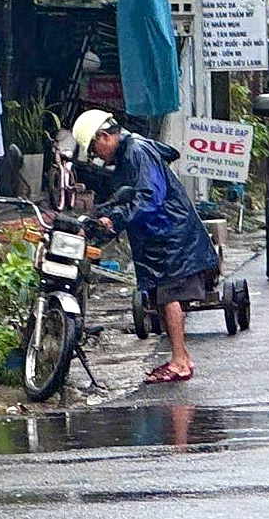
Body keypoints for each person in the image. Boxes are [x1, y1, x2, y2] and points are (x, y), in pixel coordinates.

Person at [72, 109, 218, 384]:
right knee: (162, 295)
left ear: (104, 137)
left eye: (94, 148)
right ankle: (181, 357)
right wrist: (105, 216)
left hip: (170, 233)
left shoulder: (136, 151)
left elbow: (150, 197)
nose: (96, 155)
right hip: (158, 235)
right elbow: (127, 196)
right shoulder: (129, 155)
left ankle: (180, 362)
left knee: (170, 295)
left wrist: (115, 218)